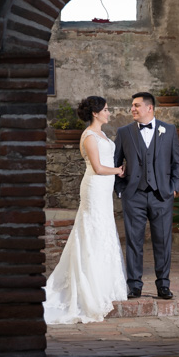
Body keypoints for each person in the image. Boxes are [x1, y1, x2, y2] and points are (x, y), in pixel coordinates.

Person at [43, 96, 128, 324]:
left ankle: (105, 282)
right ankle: (89, 285)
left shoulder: (102, 135)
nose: (109, 113)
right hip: (94, 187)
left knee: (104, 231)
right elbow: (99, 168)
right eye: (106, 110)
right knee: (92, 230)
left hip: (104, 190)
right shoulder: (89, 136)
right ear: (95, 113)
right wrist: (119, 171)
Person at [113, 91, 179, 300]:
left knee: (163, 241)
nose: (132, 109)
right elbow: (115, 163)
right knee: (134, 241)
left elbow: (177, 162)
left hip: (162, 195)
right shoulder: (124, 132)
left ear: (149, 108)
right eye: (132, 106)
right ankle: (134, 285)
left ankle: (163, 285)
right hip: (133, 195)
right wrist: (120, 189)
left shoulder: (169, 130)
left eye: (136, 105)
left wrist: (173, 187)